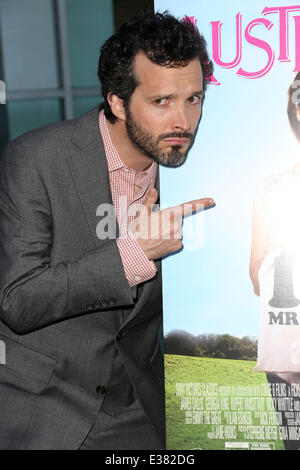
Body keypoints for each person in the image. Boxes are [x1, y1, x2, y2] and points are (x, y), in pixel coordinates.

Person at [0, 12, 215, 450]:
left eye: (194, 99)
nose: (183, 121)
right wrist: (132, 254)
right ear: (117, 101)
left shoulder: (201, 167)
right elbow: (17, 300)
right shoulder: (34, 160)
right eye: (162, 101)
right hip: (45, 403)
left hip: (140, 407)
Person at [250, 71, 300, 450]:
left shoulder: (271, 188)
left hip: (286, 341)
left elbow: (257, 273)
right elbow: (257, 273)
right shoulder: (270, 189)